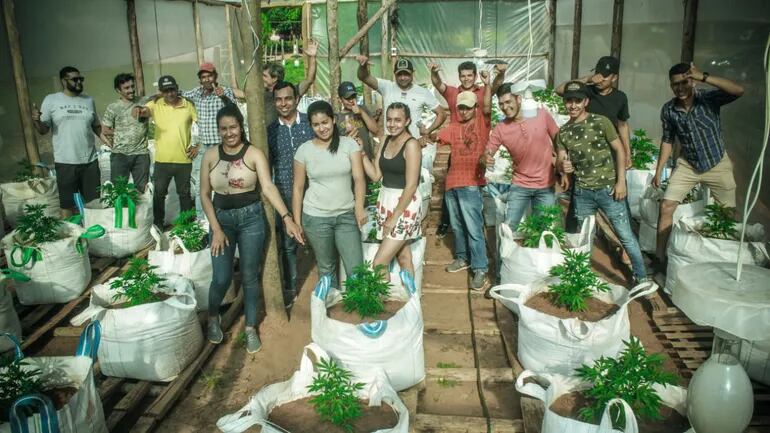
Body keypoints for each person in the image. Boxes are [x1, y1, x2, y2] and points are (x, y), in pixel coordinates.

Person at [200, 104, 303, 353]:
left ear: (241, 127)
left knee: (249, 276)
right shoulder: (211, 156)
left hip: (251, 220)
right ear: (219, 130)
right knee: (222, 277)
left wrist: (287, 217)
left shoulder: (254, 154)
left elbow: (268, 187)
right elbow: (204, 194)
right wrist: (215, 229)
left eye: (233, 127)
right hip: (222, 220)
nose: (228, 133)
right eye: (223, 128)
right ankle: (213, 317)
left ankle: (250, 328)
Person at [556, 81, 647, 284]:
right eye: (569, 101)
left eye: (578, 101)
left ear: (586, 101)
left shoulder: (601, 122)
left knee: (625, 236)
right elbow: (560, 160)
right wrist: (563, 167)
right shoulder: (563, 132)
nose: (573, 105)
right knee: (585, 238)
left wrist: (621, 182)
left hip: (609, 191)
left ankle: (641, 278)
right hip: (582, 193)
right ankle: (583, 279)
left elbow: (619, 150)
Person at [653, 62, 743, 267]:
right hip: (688, 165)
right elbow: (667, 140)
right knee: (666, 206)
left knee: (726, 215)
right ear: (670, 85)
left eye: (685, 82)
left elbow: (739, 90)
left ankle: (725, 262)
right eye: (675, 84)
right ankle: (659, 257)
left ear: (692, 81)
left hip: (717, 163)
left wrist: (704, 76)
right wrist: (659, 171)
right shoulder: (669, 110)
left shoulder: (708, 99)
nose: (680, 87)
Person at [292, 101, 366, 286]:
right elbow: (298, 187)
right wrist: (297, 221)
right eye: (316, 125)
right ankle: (329, 310)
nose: (322, 128)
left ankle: (357, 309)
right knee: (326, 269)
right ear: (310, 126)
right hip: (316, 218)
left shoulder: (349, 145)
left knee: (355, 269)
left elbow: (359, 179)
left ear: (333, 120)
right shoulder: (304, 150)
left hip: (346, 215)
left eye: (325, 122)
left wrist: (358, 208)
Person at [557, 56, 632, 233]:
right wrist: (588, 80)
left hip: (609, 154)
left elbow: (622, 125)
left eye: (605, 76)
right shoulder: (588, 92)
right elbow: (560, 90)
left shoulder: (620, 97)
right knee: (578, 198)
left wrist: (627, 152)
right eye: (598, 73)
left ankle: (623, 244)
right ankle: (574, 237)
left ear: (615, 77)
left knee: (619, 197)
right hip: (583, 158)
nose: (600, 79)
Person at [484, 81, 561, 230]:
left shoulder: (541, 115)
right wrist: (486, 157)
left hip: (545, 185)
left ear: (519, 98)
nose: (505, 107)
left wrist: (561, 166)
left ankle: (537, 253)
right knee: (509, 228)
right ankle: (505, 254)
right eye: (501, 104)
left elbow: (559, 141)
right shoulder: (501, 128)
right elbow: (488, 151)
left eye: (508, 102)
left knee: (544, 230)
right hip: (520, 185)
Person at [429, 60, 494, 237]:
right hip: (456, 144)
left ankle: (474, 224)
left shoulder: (481, 93)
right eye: (463, 76)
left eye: (469, 75)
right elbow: (438, 84)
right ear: (459, 77)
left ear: (475, 76)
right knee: (451, 183)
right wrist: (434, 72)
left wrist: (494, 79)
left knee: (474, 183)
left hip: (477, 145)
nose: (466, 79)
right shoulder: (453, 93)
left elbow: (489, 105)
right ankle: (445, 221)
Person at [266, 81, 315, 307]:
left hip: (315, 192)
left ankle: (328, 284)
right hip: (285, 193)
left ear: (296, 99)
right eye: (279, 99)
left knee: (320, 238)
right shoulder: (270, 131)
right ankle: (290, 288)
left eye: (288, 98)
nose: (283, 103)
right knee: (287, 244)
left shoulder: (310, 123)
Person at [361, 102, 423, 279]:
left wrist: (394, 216)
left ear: (407, 121)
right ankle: (411, 300)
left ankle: (384, 302)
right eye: (389, 120)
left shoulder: (411, 145)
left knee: (379, 262)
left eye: (398, 120)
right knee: (403, 256)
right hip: (385, 200)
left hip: (404, 205)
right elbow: (375, 175)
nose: (392, 124)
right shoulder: (385, 140)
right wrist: (362, 153)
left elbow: (411, 185)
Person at [32, 66, 101, 217]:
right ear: (64, 81)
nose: (79, 82)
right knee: (67, 205)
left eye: (80, 79)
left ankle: (96, 236)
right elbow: (43, 130)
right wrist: (36, 120)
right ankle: (71, 236)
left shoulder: (88, 100)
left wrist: (109, 140)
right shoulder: (51, 100)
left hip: (90, 161)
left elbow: (96, 126)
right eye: (74, 79)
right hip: (66, 162)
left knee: (94, 203)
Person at [436, 91, 489, 290]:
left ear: (475, 108)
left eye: (468, 107)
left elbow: (487, 106)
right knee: (457, 226)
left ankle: (480, 267)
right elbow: (435, 137)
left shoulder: (481, 125)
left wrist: (490, 83)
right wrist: (425, 134)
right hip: (452, 184)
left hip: (471, 184)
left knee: (473, 227)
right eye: (461, 107)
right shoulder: (453, 128)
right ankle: (462, 258)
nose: (464, 111)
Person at [135, 75, 199, 228]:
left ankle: (186, 226)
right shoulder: (156, 104)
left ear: (177, 88)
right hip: (162, 161)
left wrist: (198, 145)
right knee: (159, 194)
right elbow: (143, 110)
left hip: (183, 160)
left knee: (184, 194)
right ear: (161, 92)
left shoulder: (188, 105)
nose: (169, 94)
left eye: (172, 90)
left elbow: (199, 125)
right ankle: (158, 224)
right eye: (165, 91)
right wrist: (141, 107)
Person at [182, 63, 242, 215]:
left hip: (221, 146)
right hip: (203, 146)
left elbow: (234, 110)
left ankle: (228, 213)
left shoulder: (224, 91)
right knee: (202, 184)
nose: (207, 79)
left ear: (215, 77)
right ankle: (202, 219)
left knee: (226, 180)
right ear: (200, 80)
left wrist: (223, 97)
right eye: (203, 77)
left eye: (209, 76)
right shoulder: (197, 93)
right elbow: (181, 93)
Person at [357, 56, 447, 145]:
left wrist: (428, 130)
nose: (403, 77)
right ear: (395, 74)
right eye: (399, 74)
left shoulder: (422, 92)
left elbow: (442, 114)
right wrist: (363, 66)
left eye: (406, 74)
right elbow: (364, 77)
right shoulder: (387, 87)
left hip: (412, 145)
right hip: (390, 144)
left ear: (413, 73)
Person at [100, 73, 150, 192]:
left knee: (142, 191)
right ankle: (121, 211)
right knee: (118, 191)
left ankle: (140, 211)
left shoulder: (143, 102)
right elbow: (105, 129)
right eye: (126, 88)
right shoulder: (113, 107)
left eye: (132, 86)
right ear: (118, 90)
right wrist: (122, 132)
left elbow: (155, 100)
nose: (131, 90)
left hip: (141, 154)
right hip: (120, 155)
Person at [263, 40, 318, 126]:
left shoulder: (291, 92)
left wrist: (312, 57)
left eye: (264, 76)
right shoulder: (260, 94)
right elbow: (241, 94)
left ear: (274, 78)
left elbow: (309, 80)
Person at [335, 81, 381, 161]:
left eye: (353, 96)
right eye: (347, 98)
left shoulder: (363, 109)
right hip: (350, 161)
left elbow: (375, 130)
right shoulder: (337, 118)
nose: (351, 100)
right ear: (340, 99)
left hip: (367, 158)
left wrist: (361, 113)